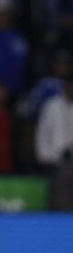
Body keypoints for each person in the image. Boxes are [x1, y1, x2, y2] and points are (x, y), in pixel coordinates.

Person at [35, 73, 73, 210]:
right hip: (58, 160)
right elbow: (42, 133)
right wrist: (44, 155)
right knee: (59, 202)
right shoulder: (52, 106)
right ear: (65, 87)